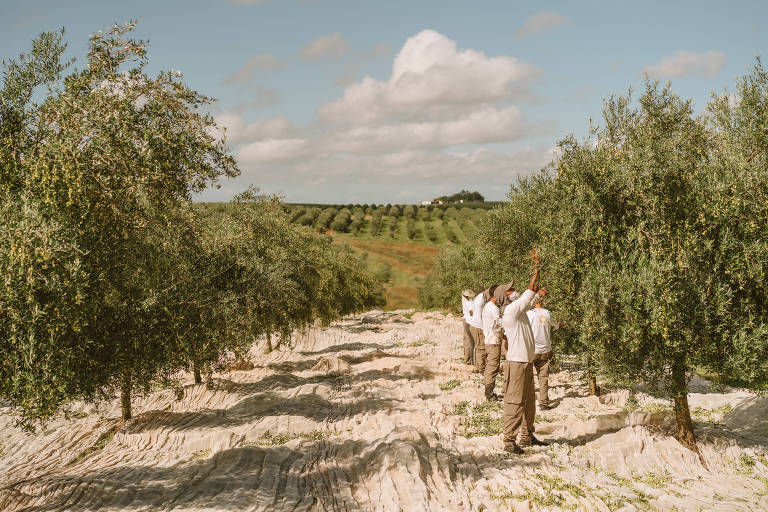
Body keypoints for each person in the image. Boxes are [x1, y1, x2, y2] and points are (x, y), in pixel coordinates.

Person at [500, 249, 548, 454]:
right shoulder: (511, 311)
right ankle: (509, 441)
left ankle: (527, 436)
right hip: (517, 364)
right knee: (515, 401)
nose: (514, 291)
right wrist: (537, 266)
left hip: (526, 363)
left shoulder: (519, 311)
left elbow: (532, 295)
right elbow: (531, 288)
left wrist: (539, 292)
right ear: (506, 297)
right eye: (510, 290)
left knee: (529, 402)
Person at [527, 297, 553, 409]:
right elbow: (556, 325)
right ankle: (544, 403)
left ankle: (527, 401)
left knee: (527, 377)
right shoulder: (549, 314)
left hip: (532, 350)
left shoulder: (529, 314)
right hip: (545, 350)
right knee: (543, 377)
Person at [482, 285, 503, 401]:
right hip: (493, 341)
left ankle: (488, 390)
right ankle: (489, 393)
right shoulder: (493, 308)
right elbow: (500, 322)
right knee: (493, 366)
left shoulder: (487, 306)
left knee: (490, 365)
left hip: (489, 339)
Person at [467, 288, 487, 374]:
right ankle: (481, 369)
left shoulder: (478, 297)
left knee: (478, 347)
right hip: (478, 326)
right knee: (481, 348)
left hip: (474, 325)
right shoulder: (481, 299)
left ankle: (478, 367)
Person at [461, 289, 476, 365]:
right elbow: (471, 312)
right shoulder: (470, 302)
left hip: (465, 320)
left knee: (467, 340)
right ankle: (469, 360)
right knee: (470, 341)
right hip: (469, 321)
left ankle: (467, 359)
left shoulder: (464, 301)